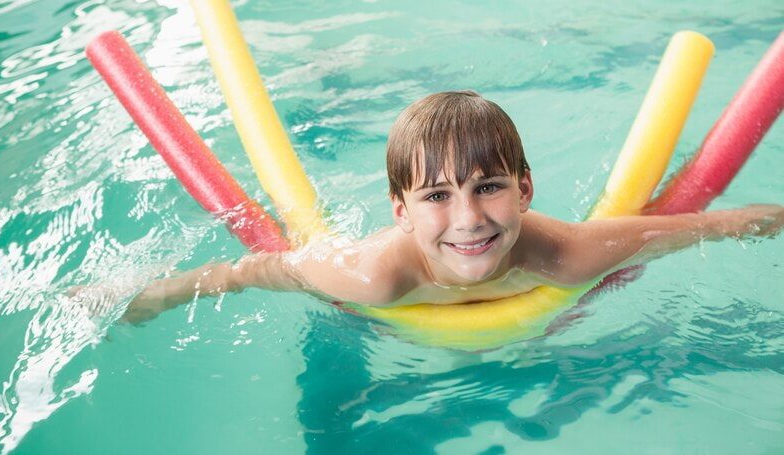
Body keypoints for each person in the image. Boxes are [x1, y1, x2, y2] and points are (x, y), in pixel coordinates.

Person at [110, 91, 782, 324]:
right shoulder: (369, 274)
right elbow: (255, 271)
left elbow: (706, 225)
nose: (467, 218)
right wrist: (155, 294)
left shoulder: (570, 254)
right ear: (401, 211)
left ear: (525, 189)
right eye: (436, 195)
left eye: (488, 186)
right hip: (375, 319)